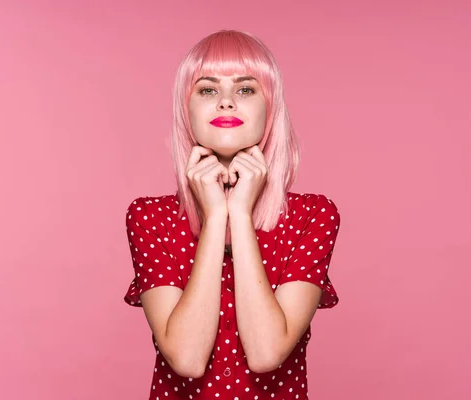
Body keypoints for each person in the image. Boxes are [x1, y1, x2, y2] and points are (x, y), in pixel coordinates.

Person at [123, 29, 341, 400]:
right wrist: (214, 218)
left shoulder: (312, 215)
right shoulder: (150, 217)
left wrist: (239, 213)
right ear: (185, 107)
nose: (226, 102)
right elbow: (187, 359)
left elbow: (266, 353)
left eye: (245, 89)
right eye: (208, 89)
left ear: (269, 107)